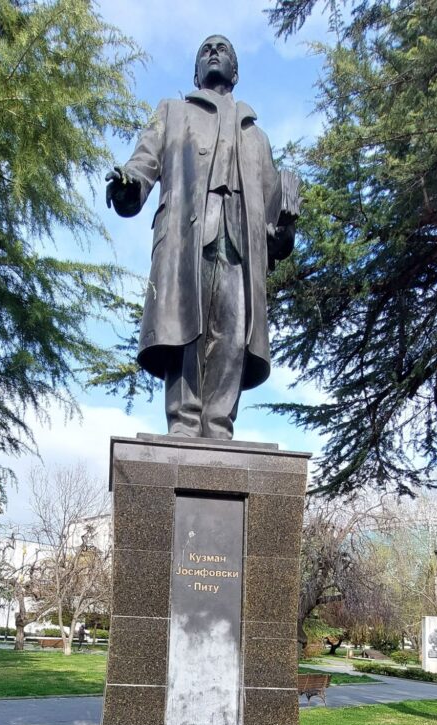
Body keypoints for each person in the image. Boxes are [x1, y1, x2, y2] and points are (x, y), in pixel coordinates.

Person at [106, 35, 299, 440]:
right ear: (196, 72)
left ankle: (218, 424)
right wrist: (128, 184)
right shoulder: (173, 112)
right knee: (185, 326)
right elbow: (141, 165)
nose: (214, 52)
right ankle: (184, 420)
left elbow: (274, 234)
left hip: (239, 244)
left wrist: (287, 224)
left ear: (236, 71)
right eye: (206, 50)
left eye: (223, 49)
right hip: (186, 237)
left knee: (232, 331)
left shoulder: (257, 137)